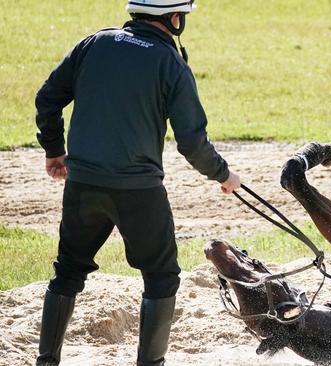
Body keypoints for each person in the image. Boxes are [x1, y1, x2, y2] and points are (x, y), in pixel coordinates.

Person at [34, 1, 240, 365]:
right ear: (174, 19)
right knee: (161, 278)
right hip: (139, 193)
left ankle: (46, 360)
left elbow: (47, 98)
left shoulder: (93, 44)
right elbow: (192, 142)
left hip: (83, 185)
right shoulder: (171, 64)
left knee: (67, 270)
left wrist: (54, 148)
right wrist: (223, 174)